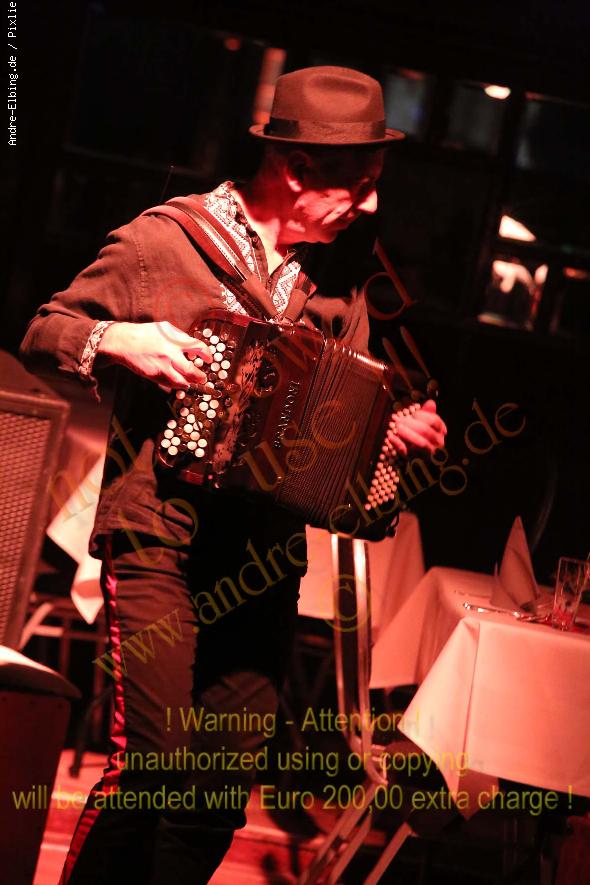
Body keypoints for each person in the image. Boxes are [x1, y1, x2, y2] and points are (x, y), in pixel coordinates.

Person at [20, 66, 446, 884]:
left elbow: (344, 418)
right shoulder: (164, 241)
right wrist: (118, 341)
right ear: (297, 170)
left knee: (215, 791)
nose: (370, 206)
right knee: (153, 765)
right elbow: (47, 328)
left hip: (260, 560)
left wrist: (389, 435)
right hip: (159, 536)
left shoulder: (339, 282)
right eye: (358, 186)